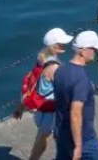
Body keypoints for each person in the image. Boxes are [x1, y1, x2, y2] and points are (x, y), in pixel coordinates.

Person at [14, 28, 74, 160]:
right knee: (51, 137)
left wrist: (20, 107)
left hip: (39, 111)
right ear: (55, 46)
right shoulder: (54, 67)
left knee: (54, 135)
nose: (64, 45)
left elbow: (32, 84)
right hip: (50, 111)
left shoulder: (41, 59)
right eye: (61, 43)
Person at [52, 30, 98, 160]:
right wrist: (78, 145)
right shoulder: (81, 78)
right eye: (93, 48)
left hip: (62, 132)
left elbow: (59, 102)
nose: (95, 52)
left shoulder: (60, 70)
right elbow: (76, 113)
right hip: (84, 137)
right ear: (83, 51)